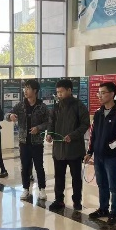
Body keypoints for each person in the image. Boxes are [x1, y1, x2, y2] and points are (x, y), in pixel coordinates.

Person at [84, 82, 116, 225]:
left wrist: (111, 146)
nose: (99, 95)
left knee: (113, 185)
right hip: (98, 156)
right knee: (101, 183)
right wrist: (89, 152)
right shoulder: (98, 113)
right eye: (99, 93)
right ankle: (103, 209)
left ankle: (114, 213)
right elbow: (93, 134)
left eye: (103, 93)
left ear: (112, 94)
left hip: (111, 157)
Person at [46, 79, 90, 212]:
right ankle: (59, 200)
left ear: (69, 90)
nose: (59, 94)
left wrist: (73, 135)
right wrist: (49, 134)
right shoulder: (56, 107)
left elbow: (85, 124)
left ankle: (77, 201)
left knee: (76, 178)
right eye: (57, 92)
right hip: (58, 149)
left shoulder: (79, 106)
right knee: (59, 177)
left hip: (74, 149)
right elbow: (51, 123)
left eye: (61, 92)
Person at [6, 79, 51, 200]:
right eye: (24, 88)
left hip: (37, 143)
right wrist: (10, 116)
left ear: (35, 91)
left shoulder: (42, 106)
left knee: (39, 166)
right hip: (24, 142)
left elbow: (48, 122)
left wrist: (38, 128)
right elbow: (7, 115)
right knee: (25, 166)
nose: (25, 91)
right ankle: (26, 189)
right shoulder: (20, 105)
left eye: (28, 88)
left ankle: (42, 189)